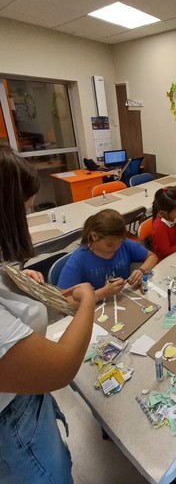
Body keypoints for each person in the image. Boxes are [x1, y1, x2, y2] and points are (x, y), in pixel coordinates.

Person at [0, 145, 96, 483]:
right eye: (23, 212)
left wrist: (12, 278)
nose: (26, 222)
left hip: (24, 402)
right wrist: (88, 301)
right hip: (11, 424)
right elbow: (61, 367)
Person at [59, 209, 158, 302]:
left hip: (121, 300)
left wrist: (141, 270)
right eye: (110, 245)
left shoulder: (124, 244)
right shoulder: (78, 260)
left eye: (120, 242)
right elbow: (63, 301)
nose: (116, 247)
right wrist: (103, 293)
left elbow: (152, 257)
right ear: (94, 236)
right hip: (94, 308)